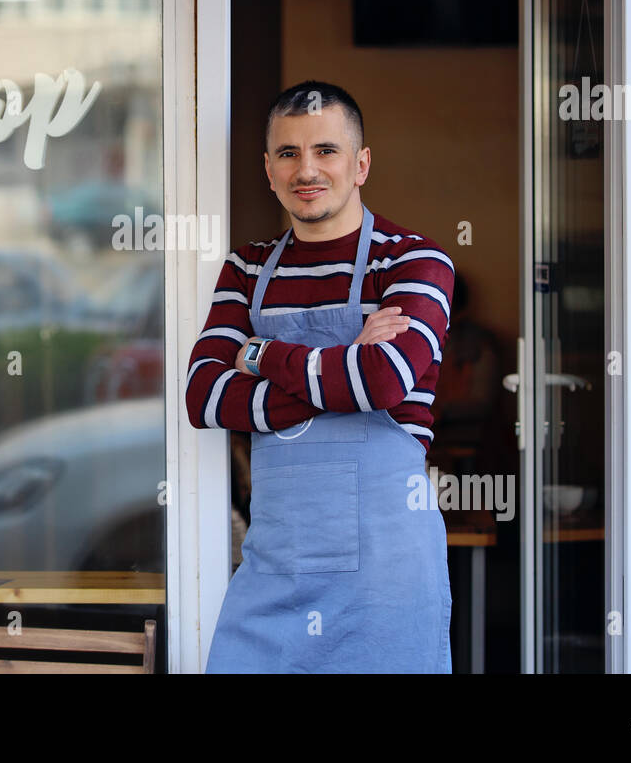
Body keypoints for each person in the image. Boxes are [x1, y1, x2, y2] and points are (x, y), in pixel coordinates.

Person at [185, 80, 455, 673]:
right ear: (268, 169)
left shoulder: (415, 261)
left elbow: (382, 382)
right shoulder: (248, 267)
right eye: (288, 153)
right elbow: (203, 397)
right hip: (276, 567)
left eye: (326, 151)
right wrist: (341, 370)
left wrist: (257, 355)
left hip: (388, 579)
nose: (307, 170)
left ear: (360, 164)